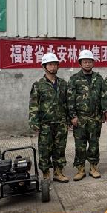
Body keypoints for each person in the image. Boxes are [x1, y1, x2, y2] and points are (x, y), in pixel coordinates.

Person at [29, 52, 70, 183]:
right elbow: (33, 105)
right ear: (44, 66)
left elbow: (67, 103)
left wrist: (69, 119)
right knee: (45, 149)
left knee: (60, 148)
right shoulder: (38, 85)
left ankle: (58, 172)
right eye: (50, 64)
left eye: (55, 64)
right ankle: (46, 174)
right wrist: (34, 122)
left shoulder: (63, 84)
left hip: (60, 122)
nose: (53, 67)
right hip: (45, 123)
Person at [67, 49, 104, 181]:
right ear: (80, 63)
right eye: (85, 62)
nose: (87, 64)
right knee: (80, 145)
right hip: (80, 119)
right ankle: (80, 169)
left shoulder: (98, 79)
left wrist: (103, 114)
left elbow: (103, 97)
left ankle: (94, 167)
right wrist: (72, 116)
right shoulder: (74, 79)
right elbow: (70, 98)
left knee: (94, 143)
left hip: (95, 118)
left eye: (90, 61)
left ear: (93, 63)